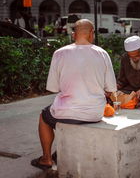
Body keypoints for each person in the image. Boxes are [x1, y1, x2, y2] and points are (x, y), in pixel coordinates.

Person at [30, 19, 117, 170]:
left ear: (73, 34)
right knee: (63, 116)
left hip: (67, 112)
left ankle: (46, 159)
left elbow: (53, 88)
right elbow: (110, 89)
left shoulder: (59, 53)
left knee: (44, 116)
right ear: (92, 34)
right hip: (94, 113)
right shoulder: (102, 54)